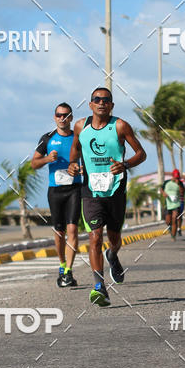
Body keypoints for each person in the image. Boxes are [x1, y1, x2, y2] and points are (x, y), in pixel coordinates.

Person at [68, 87, 146, 306]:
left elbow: (141, 153)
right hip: (90, 190)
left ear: (111, 105)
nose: (101, 103)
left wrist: (125, 164)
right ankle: (99, 286)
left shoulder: (120, 126)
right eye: (97, 99)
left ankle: (113, 255)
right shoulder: (80, 127)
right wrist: (73, 165)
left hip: (115, 189)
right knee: (94, 237)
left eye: (106, 100)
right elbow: (75, 152)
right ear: (90, 104)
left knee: (114, 239)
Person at [31, 102, 81, 288]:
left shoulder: (78, 137)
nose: (62, 118)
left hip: (74, 189)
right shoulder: (47, 139)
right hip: (55, 191)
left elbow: (87, 162)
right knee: (59, 232)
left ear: (71, 117)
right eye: (59, 115)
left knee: (72, 230)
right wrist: (47, 159)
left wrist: (80, 168)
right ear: (54, 117)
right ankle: (61, 265)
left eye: (66, 115)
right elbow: (33, 164)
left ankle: (68, 271)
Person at [162, 170, 182, 239]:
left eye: (177, 178)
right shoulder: (166, 182)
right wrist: (163, 193)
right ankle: (170, 227)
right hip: (168, 203)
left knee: (174, 218)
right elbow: (161, 189)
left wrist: (179, 184)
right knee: (168, 221)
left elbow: (182, 193)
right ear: (172, 176)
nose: (176, 179)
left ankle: (173, 235)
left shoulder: (180, 183)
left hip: (176, 204)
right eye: (175, 177)